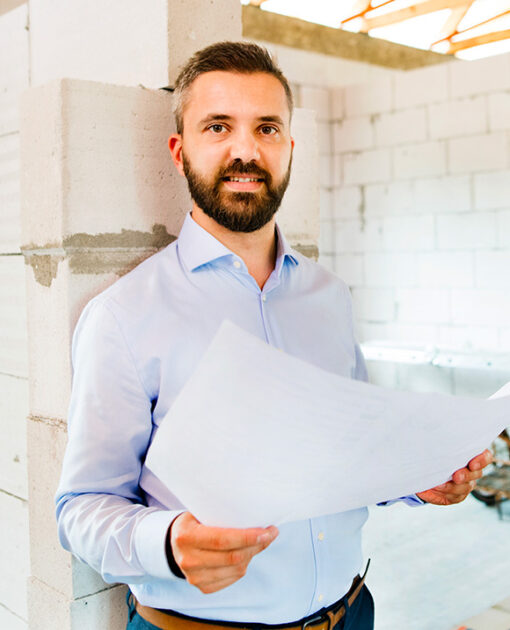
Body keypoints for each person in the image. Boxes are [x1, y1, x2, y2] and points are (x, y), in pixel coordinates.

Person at [56, 42, 492, 630]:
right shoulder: (124, 315)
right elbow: (80, 508)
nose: (245, 150)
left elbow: (350, 455)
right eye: (218, 126)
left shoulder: (329, 297)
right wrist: (167, 541)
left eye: (267, 128)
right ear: (179, 151)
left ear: (289, 146)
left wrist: (421, 480)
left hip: (352, 613)